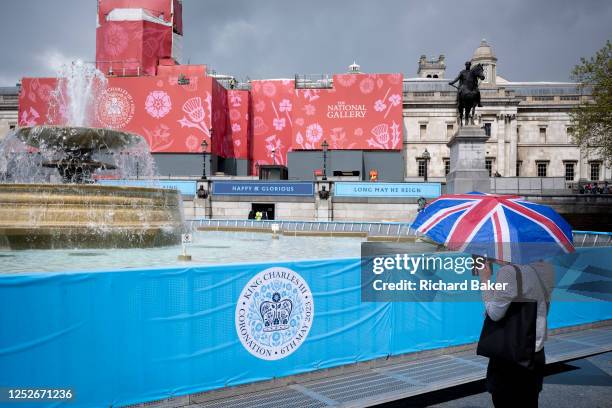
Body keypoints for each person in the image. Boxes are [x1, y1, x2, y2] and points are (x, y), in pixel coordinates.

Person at [479, 259, 554, 408]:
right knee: (529, 402)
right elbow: (544, 306)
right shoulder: (545, 268)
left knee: (505, 401)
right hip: (535, 351)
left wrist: (484, 280)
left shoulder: (508, 272)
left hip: (510, 355)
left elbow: (494, 314)